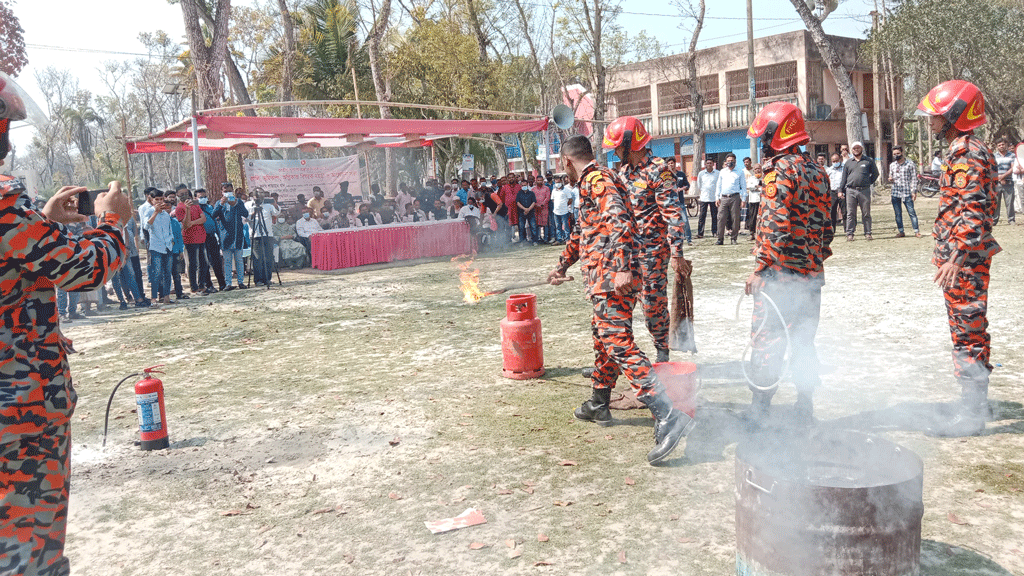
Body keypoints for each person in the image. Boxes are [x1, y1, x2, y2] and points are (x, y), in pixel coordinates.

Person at [1, 92, 132, 576]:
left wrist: (43, 223)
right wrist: (114, 219)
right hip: (19, 411)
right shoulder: (2, 201)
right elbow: (86, 268)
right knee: (28, 551)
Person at [546, 135, 693, 465]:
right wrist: (561, 266)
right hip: (603, 277)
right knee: (603, 339)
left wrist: (623, 267)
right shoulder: (596, 181)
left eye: (560, 164)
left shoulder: (598, 179)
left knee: (617, 341)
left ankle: (668, 413)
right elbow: (582, 233)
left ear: (566, 161)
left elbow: (622, 222)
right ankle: (599, 401)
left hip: (614, 278)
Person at [916, 80, 1001, 437]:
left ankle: (970, 416)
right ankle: (975, 406)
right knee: (971, 331)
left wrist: (958, 256)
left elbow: (973, 209)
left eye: (935, 115)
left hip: (962, 261)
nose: (930, 121)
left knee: (967, 334)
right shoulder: (964, 150)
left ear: (954, 114)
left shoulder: (967, 153)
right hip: (961, 257)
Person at [744, 101, 834, 427]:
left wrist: (760, 269)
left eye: (764, 138)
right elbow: (827, 228)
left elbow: (774, 226)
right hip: (811, 276)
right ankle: (805, 407)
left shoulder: (779, 173)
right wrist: (812, 262)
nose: (762, 145)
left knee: (767, 341)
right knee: (803, 342)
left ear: (775, 136)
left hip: (780, 278)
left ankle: (760, 412)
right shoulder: (818, 171)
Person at [603, 115, 690, 365]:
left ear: (629, 143)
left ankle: (663, 354)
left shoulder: (659, 170)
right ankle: (619, 359)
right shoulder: (624, 172)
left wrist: (676, 253)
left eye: (617, 146)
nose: (615, 151)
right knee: (620, 305)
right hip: (625, 253)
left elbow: (673, 216)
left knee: (653, 306)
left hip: (652, 252)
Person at [175, 186, 213, 295]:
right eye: (181, 194)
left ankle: (202, 285)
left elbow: (203, 219)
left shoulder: (195, 205)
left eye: (185, 193)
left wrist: (193, 222)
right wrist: (187, 210)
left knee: (204, 263)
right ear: (177, 195)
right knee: (193, 264)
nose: (184, 195)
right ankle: (194, 287)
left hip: (201, 237)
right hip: (190, 239)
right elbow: (186, 224)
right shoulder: (179, 208)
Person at [838, 141, 879, 241]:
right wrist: (840, 190)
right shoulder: (848, 162)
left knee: (866, 213)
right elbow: (844, 178)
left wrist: (868, 182)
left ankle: (868, 233)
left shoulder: (868, 161)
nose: (856, 150)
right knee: (850, 213)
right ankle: (850, 234)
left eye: (858, 148)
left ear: (862, 149)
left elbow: (875, 174)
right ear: (851, 150)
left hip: (864, 191)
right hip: (850, 191)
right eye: (854, 148)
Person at [213, 189, 249, 290]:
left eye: (229, 191)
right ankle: (228, 283)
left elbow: (245, 214)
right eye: (225, 191)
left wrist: (236, 204)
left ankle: (241, 282)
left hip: (238, 236)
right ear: (222, 192)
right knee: (227, 261)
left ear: (232, 191)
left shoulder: (239, 202)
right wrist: (221, 204)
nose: (227, 193)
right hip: (225, 237)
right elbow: (213, 215)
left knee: (239, 260)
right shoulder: (218, 203)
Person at [196, 188, 226, 291]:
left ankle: (222, 284)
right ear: (196, 198)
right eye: (200, 197)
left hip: (212, 237)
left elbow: (215, 222)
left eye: (204, 197)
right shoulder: (195, 209)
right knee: (205, 263)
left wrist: (219, 236)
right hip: (201, 238)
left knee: (216, 261)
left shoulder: (209, 207)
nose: (203, 199)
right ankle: (209, 285)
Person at [888, 146, 920, 238]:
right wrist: (890, 179)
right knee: (898, 213)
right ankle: (901, 231)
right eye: (894, 154)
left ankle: (916, 231)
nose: (896, 155)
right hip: (895, 192)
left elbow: (914, 178)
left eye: (898, 153)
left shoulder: (910, 164)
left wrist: (914, 191)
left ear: (902, 153)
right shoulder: (892, 165)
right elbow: (891, 176)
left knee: (911, 212)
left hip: (907, 192)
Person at [715, 153, 747, 245]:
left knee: (735, 218)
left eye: (732, 161)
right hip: (723, 198)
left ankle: (734, 238)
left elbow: (743, 186)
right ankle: (720, 239)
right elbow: (718, 185)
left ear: (735, 161)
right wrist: (717, 197)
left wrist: (743, 199)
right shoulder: (722, 172)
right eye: (728, 161)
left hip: (735, 197)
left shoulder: (740, 171)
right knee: (721, 218)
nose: (730, 163)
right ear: (725, 162)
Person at [250, 191, 281, 287]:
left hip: (268, 234)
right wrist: (254, 211)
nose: (258, 198)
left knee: (268, 257)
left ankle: (267, 279)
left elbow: (277, 213)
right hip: (255, 235)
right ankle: (258, 280)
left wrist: (274, 203)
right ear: (253, 197)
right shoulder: (249, 205)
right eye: (256, 197)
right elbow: (246, 218)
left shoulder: (268, 206)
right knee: (257, 258)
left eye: (260, 196)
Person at [163, 191, 188, 301]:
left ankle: (179, 293)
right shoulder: (159, 222)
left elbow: (179, 237)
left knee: (176, 274)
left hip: (175, 251)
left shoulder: (175, 222)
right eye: (165, 206)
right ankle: (164, 295)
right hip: (164, 251)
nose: (167, 209)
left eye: (169, 206)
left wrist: (180, 250)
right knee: (165, 274)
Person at [993, 137, 1015, 225]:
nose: (1001, 146)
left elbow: (1013, 168)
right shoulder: (994, 156)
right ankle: (994, 220)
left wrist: (1003, 176)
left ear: (1006, 145)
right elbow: (992, 168)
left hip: (1008, 182)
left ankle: (1011, 220)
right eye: (999, 145)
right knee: (996, 202)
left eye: (1003, 144)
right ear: (997, 147)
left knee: (1010, 202)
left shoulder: (1012, 155)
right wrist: (998, 177)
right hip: (996, 183)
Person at [695, 158, 719, 238]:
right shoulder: (701, 173)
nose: (709, 164)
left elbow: (719, 185)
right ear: (705, 164)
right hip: (704, 198)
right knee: (702, 216)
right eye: (707, 163)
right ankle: (700, 233)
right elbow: (699, 185)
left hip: (714, 198)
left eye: (710, 163)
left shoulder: (717, 173)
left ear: (713, 164)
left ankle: (715, 232)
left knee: (715, 216)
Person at [515, 180, 538, 244]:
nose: (523, 186)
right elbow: (518, 202)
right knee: (521, 227)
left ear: (527, 185)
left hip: (531, 212)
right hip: (521, 212)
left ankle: (534, 241)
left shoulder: (531, 193)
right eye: (522, 185)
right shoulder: (519, 193)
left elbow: (534, 202)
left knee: (533, 227)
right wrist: (525, 209)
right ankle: (523, 241)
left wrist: (528, 209)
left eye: (525, 185)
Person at [551, 177, 573, 243]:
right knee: (558, 226)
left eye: (558, 182)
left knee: (566, 226)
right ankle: (559, 239)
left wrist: (564, 205)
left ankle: (567, 239)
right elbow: (552, 199)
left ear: (561, 182)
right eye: (556, 182)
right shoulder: (554, 190)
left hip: (564, 211)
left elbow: (570, 199)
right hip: (556, 211)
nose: (557, 184)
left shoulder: (566, 190)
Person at [825, 153, 845, 229]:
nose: (835, 163)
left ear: (840, 159)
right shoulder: (829, 170)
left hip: (842, 192)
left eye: (836, 160)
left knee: (845, 212)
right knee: (832, 211)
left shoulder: (844, 168)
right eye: (833, 161)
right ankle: (833, 229)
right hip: (832, 192)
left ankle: (847, 231)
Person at [745, 164, 763, 239]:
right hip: (753, 200)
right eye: (755, 169)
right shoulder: (751, 178)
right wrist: (757, 187)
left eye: (759, 168)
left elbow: (764, 188)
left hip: (762, 200)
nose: (757, 170)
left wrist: (757, 188)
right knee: (753, 217)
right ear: (753, 170)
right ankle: (752, 233)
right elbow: (749, 187)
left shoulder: (764, 178)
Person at [532, 177, 552, 243]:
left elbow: (548, 197)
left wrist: (542, 204)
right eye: (538, 180)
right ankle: (538, 238)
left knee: (545, 224)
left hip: (544, 208)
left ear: (543, 181)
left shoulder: (546, 188)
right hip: (536, 208)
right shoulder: (533, 189)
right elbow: (532, 198)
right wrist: (536, 204)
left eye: (541, 180)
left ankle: (546, 238)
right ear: (536, 181)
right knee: (537, 224)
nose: (539, 181)